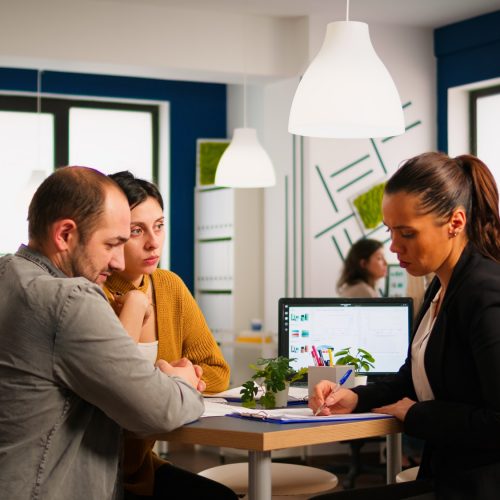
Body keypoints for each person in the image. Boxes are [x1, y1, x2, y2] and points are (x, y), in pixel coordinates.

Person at [0, 166, 236, 500]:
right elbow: (159, 410)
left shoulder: (8, 274)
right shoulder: (70, 300)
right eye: (112, 244)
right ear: (65, 235)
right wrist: (180, 380)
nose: (116, 262)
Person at [310, 152, 500, 500]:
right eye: (390, 231)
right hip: (446, 477)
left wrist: (417, 415)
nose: (394, 247)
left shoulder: (484, 292)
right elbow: (410, 378)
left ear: (455, 223)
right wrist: (354, 397)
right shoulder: (441, 286)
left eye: (407, 233)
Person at [101, 171, 231, 499]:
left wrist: (179, 378)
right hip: (99, 469)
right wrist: (174, 379)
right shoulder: (93, 293)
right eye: (136, 231)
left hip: (142, 466)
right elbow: (117, 395)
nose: (153, 242)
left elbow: (217, 372)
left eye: (159, 226)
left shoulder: (169, 286)